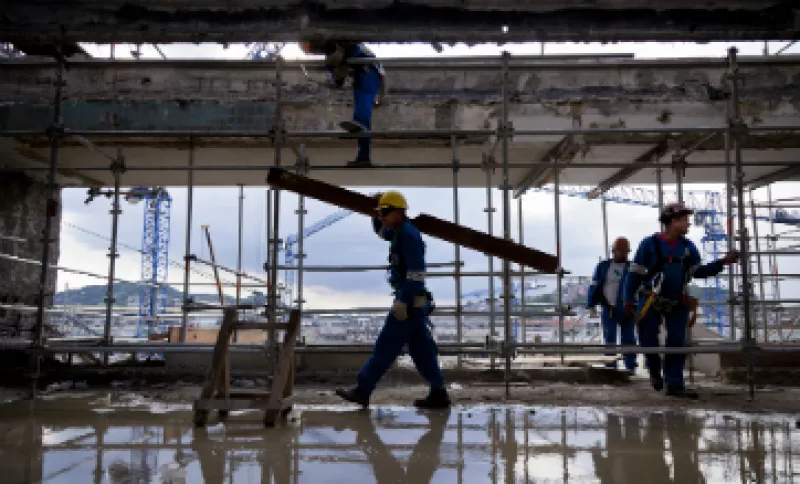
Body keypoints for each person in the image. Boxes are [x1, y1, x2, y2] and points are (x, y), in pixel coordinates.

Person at [335, 191, 450, 409]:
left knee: (386, 346)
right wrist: (374, 212)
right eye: (380, 212)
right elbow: (382, 232)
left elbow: (417, 273)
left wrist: (403, 300)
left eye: (385, 212)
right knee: (422, 351)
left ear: (399, 211)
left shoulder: (408, 235)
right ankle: (439, 392)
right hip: (414, 303)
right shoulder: (399, 232)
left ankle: (362, 390)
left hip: (408, 301)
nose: (382, 216)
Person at [623, 202, 739, 399]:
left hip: (677, 299)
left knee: (676, 342)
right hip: (650, 298)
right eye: (685, 220)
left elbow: (698, 271)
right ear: (673, 221)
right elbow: (634, 274)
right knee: (648, 339)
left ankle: (674, 384)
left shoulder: (687, 247)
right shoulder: (649, 244)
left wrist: (722, 262)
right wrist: (628, 299)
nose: (688, 223)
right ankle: (654, 369)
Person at [300, 40, 386, 168]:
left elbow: (346, 59)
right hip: (362, 75)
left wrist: (337, 72)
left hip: (369, 72)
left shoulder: (345, 44)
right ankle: (363, 156)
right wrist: (336, 76)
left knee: (363, 113)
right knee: (364, 119)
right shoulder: (339, 50)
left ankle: (358, 123)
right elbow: (339, 74)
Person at [586, 237, 637, 373]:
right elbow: (594, 285)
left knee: (628, 339)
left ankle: (630, 367)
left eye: (625, 253)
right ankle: (610, 367)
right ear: (614, 252)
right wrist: (590, 304)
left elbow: (639, 286)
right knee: (610, 339)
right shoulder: (603, 266)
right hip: (608, 307)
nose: (624, 255)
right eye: (621, 252)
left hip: (627, 308)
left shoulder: (632, 267)